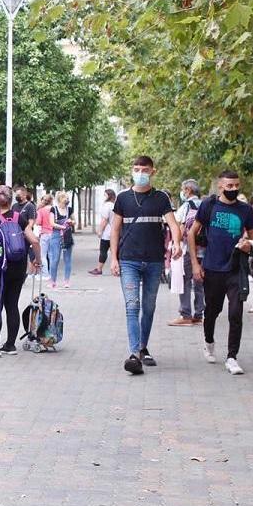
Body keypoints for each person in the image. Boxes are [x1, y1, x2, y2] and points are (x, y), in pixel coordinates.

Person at [110, 156, 182, 376]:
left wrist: (176, 242)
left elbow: (173, 224)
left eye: (144, 169)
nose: (140, 172)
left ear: (153, 172)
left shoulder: (160, 198)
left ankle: (143, 347)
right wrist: (114, 258)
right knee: (132, 306)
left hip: (154, 261)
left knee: (148, 307)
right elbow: (114, 229)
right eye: (136, 169)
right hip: (129, 260)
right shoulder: (122, 198)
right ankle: (134, 354)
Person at [188, 170, 253, 375]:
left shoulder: (245, 210)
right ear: (220, 186)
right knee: (212, 311)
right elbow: (192, 233)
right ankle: (209, 341)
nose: (233, 189)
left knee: (235, 313)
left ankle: (232, 357)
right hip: (212, 268)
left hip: (236, 269)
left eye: (236, 186)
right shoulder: (209, 206)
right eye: (229, 186)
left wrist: (248, 245)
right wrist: (195, 264)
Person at [0, 186, 43, 357]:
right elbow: (34, 241)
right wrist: (37, 260)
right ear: (11, 201)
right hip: (17, 268)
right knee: (12, 305)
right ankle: (10, 345)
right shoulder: (20, 218)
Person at [169, 179, 206, 326]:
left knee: (184, 281)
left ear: (188, 190)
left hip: (188, 250)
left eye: (183, 189)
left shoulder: (186, 206)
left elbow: (180, 228)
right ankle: (199, 314)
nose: (182, 192)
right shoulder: (205, 205)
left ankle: (185, 315)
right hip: (204, 250)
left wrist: (176, 244)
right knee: (199, 282)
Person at [47, 192, 75, 289]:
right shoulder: (53, 209)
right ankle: (53, 281)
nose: (67, 200)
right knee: (55, 259)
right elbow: (51, 223)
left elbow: (74, 221)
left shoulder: (69, 209)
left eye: (67, 198)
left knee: (68, 259)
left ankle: (66, 281)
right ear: (60, 199)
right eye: (65, 198)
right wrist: (62, 226)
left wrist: (71, 222)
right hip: (56, 235)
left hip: (67, 235)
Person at [90, 189, 116, 275]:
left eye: (105, 195)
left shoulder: (106, 206)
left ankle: (99, 269)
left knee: (103, 251)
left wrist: (100, 231)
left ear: (108, 196)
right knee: (115, 251)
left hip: (107, 233)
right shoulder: (114, 205)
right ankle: (117, 268)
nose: (103, 197)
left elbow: (104, 220)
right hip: (115, 232)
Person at [35, 194, 54, 277]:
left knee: (43, 255)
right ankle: (53, 273)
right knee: (52, 255)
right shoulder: (54, 209)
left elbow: (38, 222)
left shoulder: (41, 210)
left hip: (45, 234)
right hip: (54, 233)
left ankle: (45, 274)